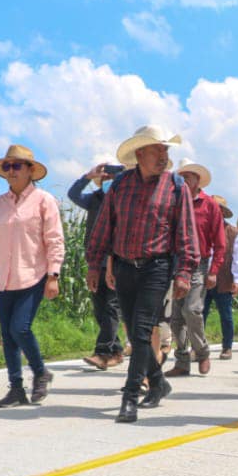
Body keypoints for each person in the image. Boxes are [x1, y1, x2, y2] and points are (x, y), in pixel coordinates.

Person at [86, 125, 200, 423]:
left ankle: (130, 396)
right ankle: (159, 382)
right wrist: (95, 264)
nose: (164, 156)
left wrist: (185, 272)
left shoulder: (176, 186)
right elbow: (105, 227)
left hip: (156, 267)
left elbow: (186, 233)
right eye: (158, 150)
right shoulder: (121, 185)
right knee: (133, 331)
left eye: (166, 150)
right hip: (124, 267)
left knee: (140, 332)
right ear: (140, 154)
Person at [0, 145, 65, 407]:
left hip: (33, 275)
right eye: (7, 167)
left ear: (30, 171)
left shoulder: (44, 201)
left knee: (20, 328)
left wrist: (54, 274)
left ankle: (40, 372)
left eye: (17, 166)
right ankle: (16, 388)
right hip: (3, 278)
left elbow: (54, 239)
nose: (11, 171)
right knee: (8, 334)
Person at [166, 159, 226, 377]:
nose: (184, 180)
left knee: (192, 309)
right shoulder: (173, 201)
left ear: (198, 180)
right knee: (175, 316)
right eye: (181, 177)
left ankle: (202, 353)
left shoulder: (209, 205)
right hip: (175, 261)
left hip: (199, 264)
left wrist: (214, 270)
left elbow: (220, 242)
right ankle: (182, 361)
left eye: (188, 177)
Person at [69, 162, 126, 370]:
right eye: (103, 179)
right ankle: (117, 350)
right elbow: (73, 194)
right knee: (100, 309)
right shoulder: (94, 200)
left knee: (112, 308)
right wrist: (87, 176)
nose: (106, 182)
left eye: (110, 179)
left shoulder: (123, 201)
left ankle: (102, 352)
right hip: (95, 262)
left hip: (117, 261)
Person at [201, 195, 238, 359]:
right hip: (202, 278)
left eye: (217, 209)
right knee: (198, 314)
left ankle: (227, 347)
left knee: (226, 315)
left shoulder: (232, 232)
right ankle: (199, 347)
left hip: (224, 279)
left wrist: (237, 280)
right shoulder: (201, 228)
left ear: (223, 212)